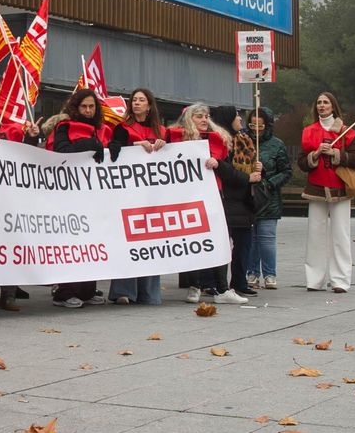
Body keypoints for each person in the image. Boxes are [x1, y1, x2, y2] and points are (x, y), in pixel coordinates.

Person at [43, 88, 114, 309]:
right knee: (72, 243)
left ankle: (87, 290)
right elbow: (61, 150)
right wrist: (90, 145)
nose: (88, 110)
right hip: (69, 195)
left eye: (92, 106)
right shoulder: (64, 127)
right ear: (76, 107)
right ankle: (65, 292)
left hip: (92, 196)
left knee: (91, 243)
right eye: (84, 106)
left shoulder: (103, 130)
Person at [297, 91, 355, 293]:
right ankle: (314, 280)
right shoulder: (308, 131)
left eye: (325, 102)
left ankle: (341, 280)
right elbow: (301, 162)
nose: (321, 106)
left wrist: (335, 153)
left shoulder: (345, 131)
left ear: (333, 106)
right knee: (315, 235)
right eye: (319, 103)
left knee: (341, 234)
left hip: (340, 188)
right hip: (316, 188)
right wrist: (315, 154)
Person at [107, 88, 166, 305]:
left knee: (152, 243)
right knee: (127, 240)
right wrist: (133, 147)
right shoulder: (122, 129)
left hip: (153, 196)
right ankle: (123, 291)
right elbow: (112, 151)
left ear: (150, 105)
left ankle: (149, 293)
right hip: (129, 195)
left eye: (142, 100)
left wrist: (164, 147)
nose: (137, 103)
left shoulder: (162, 131)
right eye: (134, 100)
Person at [170, 103, 234, 303]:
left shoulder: (218, 140)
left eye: (206, 116)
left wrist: (219, 164)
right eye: (199, 116)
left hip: (214, 196)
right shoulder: (174, 138)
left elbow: (230, 171)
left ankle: (223, 289)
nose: (205, 120)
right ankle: (194, 286)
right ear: (189, 119)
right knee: (193, 240)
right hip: (188, 198)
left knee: (220, 239)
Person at [210, 105, 261, 301]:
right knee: (224, 244)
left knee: (244, 244)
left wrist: (257, 170)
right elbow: (224, 169)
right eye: (236, 116)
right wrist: (247, 178)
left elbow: (249, 169)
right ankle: (218, 285)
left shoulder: (245, 141)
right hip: (227, 199)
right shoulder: (220, 141)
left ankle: (239, 282)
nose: (240, 119)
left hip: (244, 201)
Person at [246, 107, 291, 289]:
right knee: (250, 238)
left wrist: (270, 183)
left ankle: (270, 273)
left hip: (269, 198)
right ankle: (252, 272)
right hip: (247, 196)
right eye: (252, 124)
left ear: (267, 125)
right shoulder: (243, 142)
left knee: (266, 237)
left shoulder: (277, 144)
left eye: (260, 125)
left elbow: (286, 171)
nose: (256, 128)